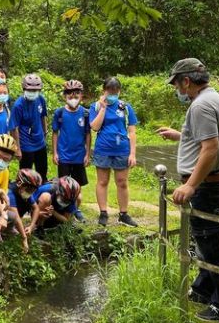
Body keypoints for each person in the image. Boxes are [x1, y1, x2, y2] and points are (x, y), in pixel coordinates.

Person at [157, 58, 219, 321]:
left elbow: (211, 148)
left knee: (213, 245)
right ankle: (203, 289)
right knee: (207, 240)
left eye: (177, 84)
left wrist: (191, 184)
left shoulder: (201, 105)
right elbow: (205, 139)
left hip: (209, 186)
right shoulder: (215, 99)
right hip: (215, 183)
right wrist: (180, 136)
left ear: (186, 81)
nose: (177, 90)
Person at [90, 77, 139, 227]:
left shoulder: (125, 107)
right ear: (104, 91)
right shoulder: (96, 107)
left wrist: (132, 154)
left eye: (115, 92)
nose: (112, 94)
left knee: (122, 182)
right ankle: (103, 212)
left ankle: (123, 214)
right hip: (103, 149)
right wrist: (103, 108)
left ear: (119, 91)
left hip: (122, 150)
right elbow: (95, 127)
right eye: (109, 91)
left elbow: (132, 132)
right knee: (102, 181)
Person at [52, 79, 90, 219]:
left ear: (81, 96)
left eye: (76, 95)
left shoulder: (85, 113)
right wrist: (55, 152)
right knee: (64, 185)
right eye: (70, 96)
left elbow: (87, 134)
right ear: (65, 96)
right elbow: (55, 133)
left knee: (77, 185)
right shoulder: (59, 113)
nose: (73, 98)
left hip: (79, 155)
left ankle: (76, 209)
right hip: (64, 155)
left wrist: (87, 154)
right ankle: (63, 207)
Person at [10, 73, 48, 180]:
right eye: (30, 90)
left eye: (35, 90)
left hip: (40, 142)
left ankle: (42, 194)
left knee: (42, 173)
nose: (33, 93)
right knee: (26, 177)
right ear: (24, 89)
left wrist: (45, 133)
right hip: (26, 144)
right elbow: (14, 128)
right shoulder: (18, 105)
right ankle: (25, 196)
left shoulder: (40, 99)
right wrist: (17, 148)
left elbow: (43, 117)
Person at [6, 168, 46, 236]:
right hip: (5, 216)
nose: (30, 192)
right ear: (20, 184)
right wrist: (24, 237)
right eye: (29, 189)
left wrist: (31, 226)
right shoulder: (10, 193)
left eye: (33, 189)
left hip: (16, 217)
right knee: (13, 215)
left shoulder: (26, 193)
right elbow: (16, 216)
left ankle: (12, 227)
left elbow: (36, 209)